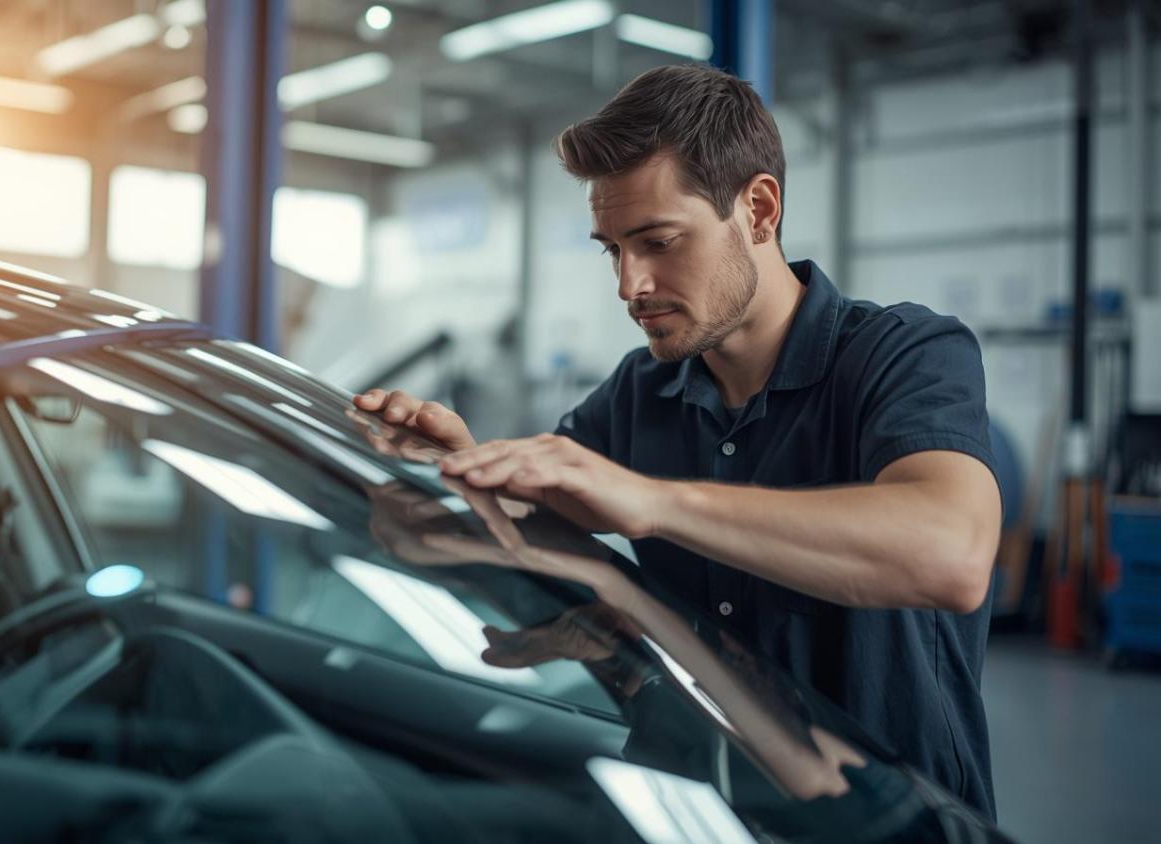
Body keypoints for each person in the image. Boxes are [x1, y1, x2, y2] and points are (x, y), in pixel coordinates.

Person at [353, 63, 1002, 817]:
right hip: (685, 805)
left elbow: (949, 554)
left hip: (880, 822)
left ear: (757, 210)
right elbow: (540, 529)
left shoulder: (902, 354)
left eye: (657, 241)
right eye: (611, 249)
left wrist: (653, 502)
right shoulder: (642, 390)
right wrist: (458, 465)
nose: (629, 284)